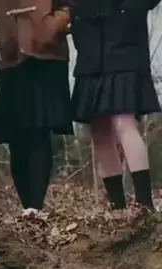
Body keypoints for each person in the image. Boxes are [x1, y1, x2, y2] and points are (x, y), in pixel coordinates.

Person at [70, 0, 161, 210]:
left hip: (123, 46)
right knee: (99, 131)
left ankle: (144, 203)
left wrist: (128, 9)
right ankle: (117, 206)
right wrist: (70, 13)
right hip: (89, 46)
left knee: (123, 122)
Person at [0, 0, 74, 216]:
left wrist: (56, 21)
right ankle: (27, 207)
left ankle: (36, 205)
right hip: (10, 55)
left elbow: (72, 5)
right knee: (15, 135)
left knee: (39, 130)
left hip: (45, 53)